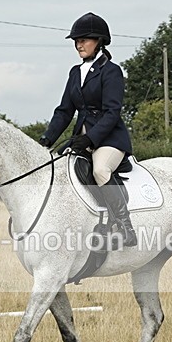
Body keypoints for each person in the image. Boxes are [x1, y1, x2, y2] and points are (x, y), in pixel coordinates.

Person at [39, 12, 137, 247]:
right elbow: (64, 111)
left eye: (84, 39)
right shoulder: (75, 72)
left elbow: (112, 112)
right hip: (81, 140)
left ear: (99, 41)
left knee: (100, 171)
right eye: (76, 40)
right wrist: (45, 140)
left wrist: (90, 138)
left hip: (110, 140)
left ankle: (125, 228)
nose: (78, 44)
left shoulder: (111, 71)